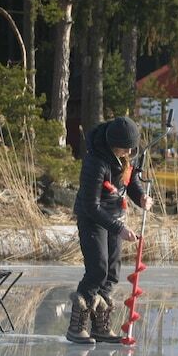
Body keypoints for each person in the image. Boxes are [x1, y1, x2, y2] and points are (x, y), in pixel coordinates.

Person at [67, 116, 154, 344]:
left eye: (131, 149)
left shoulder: (124, 156)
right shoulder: (96, 161)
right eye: (125, 148)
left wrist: (140, 197)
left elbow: (129, 180)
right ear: (113, 144)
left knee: (112, 272)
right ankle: (77, 326)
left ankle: (100, 326)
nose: (129, 153)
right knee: (98, 269)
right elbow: (91, 205)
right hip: (92, 218)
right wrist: (120, 228)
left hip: (115, 216)